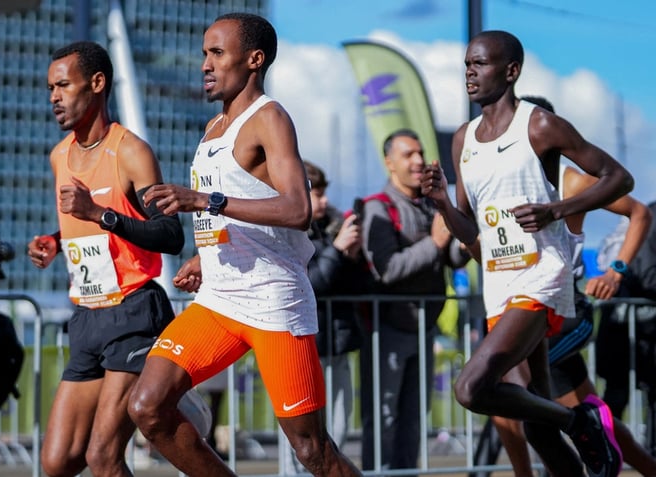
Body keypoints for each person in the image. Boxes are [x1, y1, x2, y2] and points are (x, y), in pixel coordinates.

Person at [127, 13, 363, 477]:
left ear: (254, 60)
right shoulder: (214, 128)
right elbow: (242, 205)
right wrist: (205, 253)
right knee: (148, 406)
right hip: (219, 301)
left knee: (312, 450)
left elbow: (298, 210)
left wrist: (202, 199)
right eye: (203, 54)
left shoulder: (269, 118)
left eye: (216, 53)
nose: (205, 64)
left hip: (274, 302)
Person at [421, 30, 635, 477]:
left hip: (542, 276)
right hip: (500, 281)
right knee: (536, 423)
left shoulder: (538, 125)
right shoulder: (463, 140)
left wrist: (557, 209)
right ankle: (575, 430)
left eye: (479, 64)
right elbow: (470, 231)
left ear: (511, 70)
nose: (469, 74)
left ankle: (581, 419)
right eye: (466, 65)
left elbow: (618, 178)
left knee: (471, 388)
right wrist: (442, 201)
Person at [26, 41, 185, 477]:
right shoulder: (60, 155)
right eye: (49, 88)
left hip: (134, 312)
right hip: (87, 318)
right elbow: (88, 226)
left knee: (103, 457)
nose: (54, 96)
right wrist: (57, 240)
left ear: (96, 84)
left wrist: (99, 214)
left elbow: (169, 235)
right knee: (57, 462)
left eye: (63, 85)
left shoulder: (131, 151)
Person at [486, 96, 656, 476]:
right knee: (587, 412)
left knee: (498, 385)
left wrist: (615, 271)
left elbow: (639, 213)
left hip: (565, 312)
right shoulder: (503, 184)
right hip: (524, 310)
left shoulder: (571, 181)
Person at [357, 129, 472, 473]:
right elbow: (387, 268)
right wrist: (435, 244)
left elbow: (452, 257)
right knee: (383, 416)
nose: (419, 160)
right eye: (408, 154)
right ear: (389, 162)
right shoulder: (377, 208)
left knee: (414, 416)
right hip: (386, 331)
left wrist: (463, 238)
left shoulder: (429, 205)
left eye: (420, 153)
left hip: (424, 329)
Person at [279, 160, 366, 473]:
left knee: (337, 430)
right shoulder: (288, 230)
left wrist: (353, 256)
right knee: (301, 439)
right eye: (317, 194)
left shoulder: (332, 227)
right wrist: (338, 250)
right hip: (302, 346)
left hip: (337, 343)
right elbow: (311, 283)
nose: (325, 200)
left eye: (324, 193)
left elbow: (356, 287)